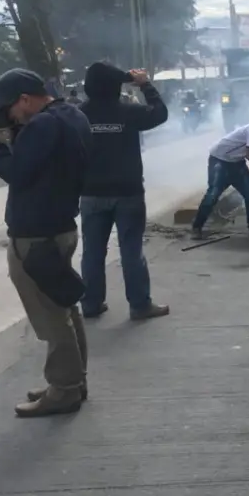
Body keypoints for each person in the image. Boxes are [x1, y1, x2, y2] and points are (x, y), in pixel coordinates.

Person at [0, 68, 93, 417]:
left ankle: (64, 389)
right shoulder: (71, 115)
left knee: (52, 317)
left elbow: (17, 173)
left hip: (36, 235)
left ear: (24, 99)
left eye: (11, 109)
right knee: (65, 307)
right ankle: (72, 381)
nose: (10, 116)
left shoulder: (42, 125)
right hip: (60, 225)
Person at [78, 62, 170, 321]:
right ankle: (140, 305)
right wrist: (145, 84)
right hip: (128, 192)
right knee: (131, 249)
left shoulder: (77, 114)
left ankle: (91, 303)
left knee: (93, 251)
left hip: (91, 193)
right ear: (116, 87)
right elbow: (160, 113)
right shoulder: (128, 112)